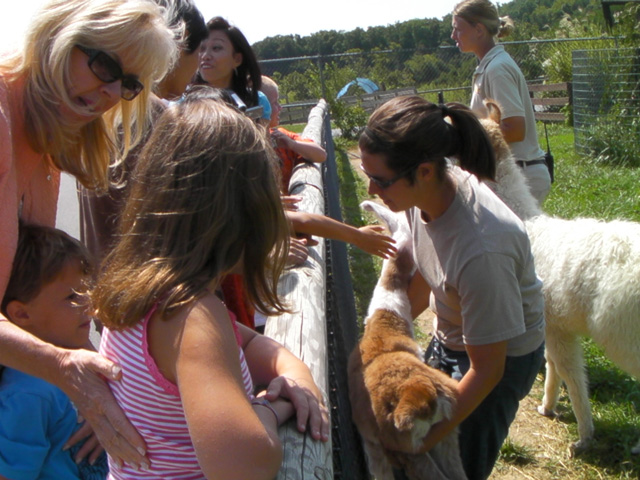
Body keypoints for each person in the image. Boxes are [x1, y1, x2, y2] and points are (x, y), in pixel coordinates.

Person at [93, 96, 330, 478]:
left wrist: (296, 375)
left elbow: (247, 344)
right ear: (241, 214)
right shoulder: (192, 318)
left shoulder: (147, 291)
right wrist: (273, 408)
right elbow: (244, 467)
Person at [0, 0, 179, 469]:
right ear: (57, 37)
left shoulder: (47, 136)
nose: (112, 91)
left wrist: (95, 380)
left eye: (128, 83)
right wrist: (64, 369)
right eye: (105, 66)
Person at [358, 96, 545, 480]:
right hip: (456, 333)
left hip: (501, 360)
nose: (373, 189)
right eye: (367, 175)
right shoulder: (420, 197)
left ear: (425, 171)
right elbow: (429, 271)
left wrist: (422, 442)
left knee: (451, 464)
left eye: (381, 179)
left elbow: (488, 369)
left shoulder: (483, 249)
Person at [78, 0, 208, 263]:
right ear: (179, 42)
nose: (200, 65)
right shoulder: (156, 117)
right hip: (148, 280)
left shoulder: (107, 108)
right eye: (200, 51)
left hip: (101, 275)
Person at [0, 223, 107, 480]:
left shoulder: (87, 360)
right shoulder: (28, 394)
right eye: (72, 297)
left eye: (88, 289)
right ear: (22, 314)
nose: (90, 303)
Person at [451, 0, 551, 205]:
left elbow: (515, 129)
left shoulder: (497, 69)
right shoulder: (489, 66)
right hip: (509, 173)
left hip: (518, 176)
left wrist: (464, 139)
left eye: (458, 29)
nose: (453, 35)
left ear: (479, 30)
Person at [193, 16, 271, 120]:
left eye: (216, 48)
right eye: (201, 48)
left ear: (237, 59)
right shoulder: (185, 104)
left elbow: (262, 131)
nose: (205, 56)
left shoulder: (257, 101)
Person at [261, 76, 327, 191]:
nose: (280, 107)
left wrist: (292, 144)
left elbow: (321, 155)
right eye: (274, 103)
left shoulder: (280, 137)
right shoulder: (245, 147)